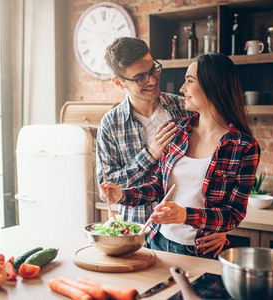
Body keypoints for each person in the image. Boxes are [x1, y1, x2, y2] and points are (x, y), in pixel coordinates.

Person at [99, 53, 261, 259]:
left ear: (214, 86)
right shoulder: (179, 130)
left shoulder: (244, 146)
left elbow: (234, 214)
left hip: (200, 250)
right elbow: (159, 186)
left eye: (189, 81)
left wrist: (185, 215)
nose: (182, 88)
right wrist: (123, 195)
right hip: (157, 240)